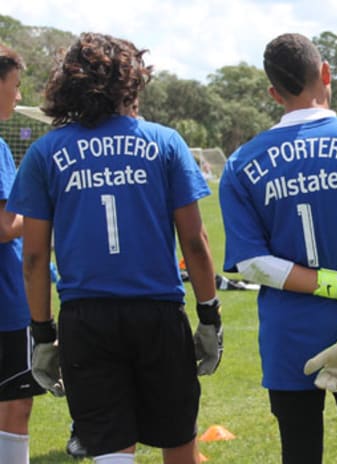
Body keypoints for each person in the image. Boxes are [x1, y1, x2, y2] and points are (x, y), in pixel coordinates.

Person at [7, 33, 222, 464]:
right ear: (132, 81)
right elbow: (195, 244)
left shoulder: (45, 151)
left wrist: (43, 335)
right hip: (158, 314)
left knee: (111, 452)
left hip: (86, 319)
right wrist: (209, 316)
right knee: (180, 445)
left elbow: (33, 258)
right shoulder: (164, 142)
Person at [219, 33, 337, 464]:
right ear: (325, 74)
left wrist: (332, 285)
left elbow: (251, 264)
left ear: (273, 93)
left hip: (288, 340)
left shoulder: (240, 165)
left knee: (300, 454)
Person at [0, 43, 46, 464]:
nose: (18, 96)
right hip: (7, 305)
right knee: (15, 405)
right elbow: (2, 227)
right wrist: (45, 220)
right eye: (14, 86)